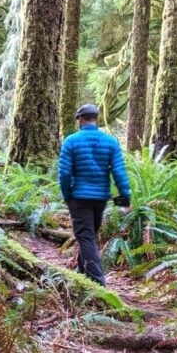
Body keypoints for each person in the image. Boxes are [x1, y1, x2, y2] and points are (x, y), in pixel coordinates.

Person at [58, 104, 131, 286]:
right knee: (88, 237)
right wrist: (125, 196)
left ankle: (98, 284)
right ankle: (81, 274)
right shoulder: (110, 142)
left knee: (86, 238)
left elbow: (65, 174)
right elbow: (119, 172)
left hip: (79, 198)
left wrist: (67, 195)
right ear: (95, 119)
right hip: (100, 199)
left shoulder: (71, 142)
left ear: (80, 119)